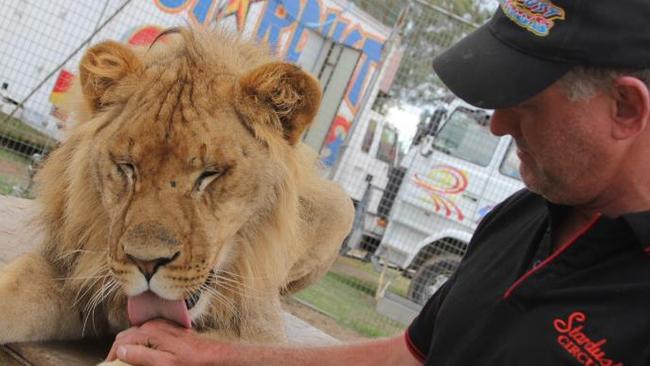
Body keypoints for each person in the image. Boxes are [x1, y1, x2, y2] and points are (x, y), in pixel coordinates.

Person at [106, 1, 650, 365]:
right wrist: (214, 356)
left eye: (526, 105)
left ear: (625, 108)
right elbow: (409, 356)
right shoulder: (527, 213)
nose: (498, 124)